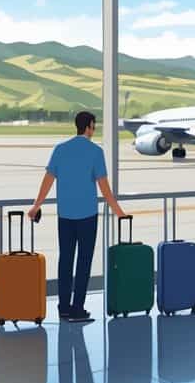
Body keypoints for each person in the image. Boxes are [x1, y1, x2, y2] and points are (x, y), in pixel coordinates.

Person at [28, 111, 124, 324]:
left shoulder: (60, 150)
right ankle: (78, 307)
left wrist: (37, 205)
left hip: (65, 216)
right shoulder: (95, 152)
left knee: (66, 260)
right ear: (89, 126)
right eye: (94, 125)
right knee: (84, 261)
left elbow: (48, 180)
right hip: (87, 216)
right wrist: (119, 212)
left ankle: (63, 307)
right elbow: (105, 189)